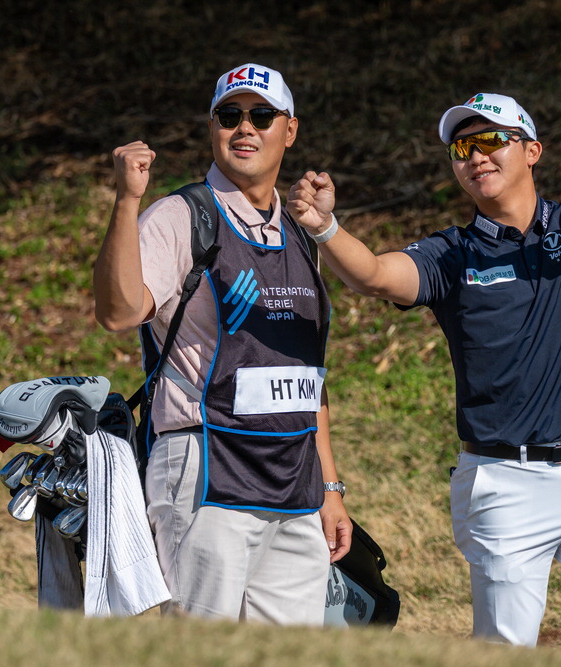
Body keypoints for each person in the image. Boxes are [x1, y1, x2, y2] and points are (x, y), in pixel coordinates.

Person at [287, 89, 561, 655]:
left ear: (532, 151)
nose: (476, 156)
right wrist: (325, 228)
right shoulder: (452, 254)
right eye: (461, 148)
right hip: (504, 484)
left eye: (491, 140)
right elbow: (374, 274)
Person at [93, 62, 351, 624]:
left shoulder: (301, 230)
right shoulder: (181, 216)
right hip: (207, 473)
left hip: (296, 485)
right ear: (213, 127)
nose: (245, 127)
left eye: (262, 115)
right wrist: (126, 202)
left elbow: (307, 376)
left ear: (290, 129)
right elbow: (118, 312)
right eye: (229, 115)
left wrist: (330, 487)